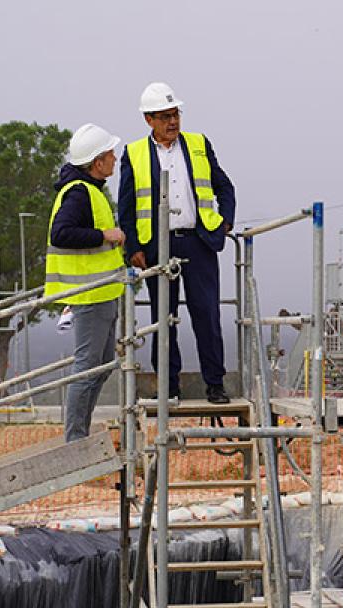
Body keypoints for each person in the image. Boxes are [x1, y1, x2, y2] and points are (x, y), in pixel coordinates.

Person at [118, 82, 236, 404]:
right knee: (163, 319)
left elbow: (224, 186)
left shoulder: (198, 144)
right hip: (158, 247)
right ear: (149, 120)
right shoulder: (134, 154)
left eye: (176, 114)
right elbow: (126, 207)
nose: (173, 122)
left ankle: (215, 384)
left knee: (207, 315)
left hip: (198, 242)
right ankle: (168, 387)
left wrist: (225, 220)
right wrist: (134, 250)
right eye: (165, 116)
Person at [45, 123, 126, 441]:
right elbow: (61, 233)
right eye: (109, 155)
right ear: (96, 162)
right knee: (88, 366)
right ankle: (75, 439)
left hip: (103, 292)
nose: (114, 159)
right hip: (91, 295)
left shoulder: (89, 190)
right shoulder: (79, 193)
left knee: (102, 365)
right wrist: (105, 235)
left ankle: (80, 432)